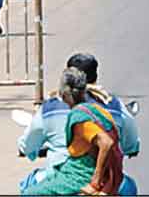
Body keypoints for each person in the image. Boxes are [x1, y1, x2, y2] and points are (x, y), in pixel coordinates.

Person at [18, 54, 140, 194]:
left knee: (29, 192)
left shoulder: (71, 113)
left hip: (77, 177)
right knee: (129, 188)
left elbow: (105, 142)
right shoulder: (108, 106)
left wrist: (95, 181)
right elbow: (127, 141)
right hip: (105, 177)